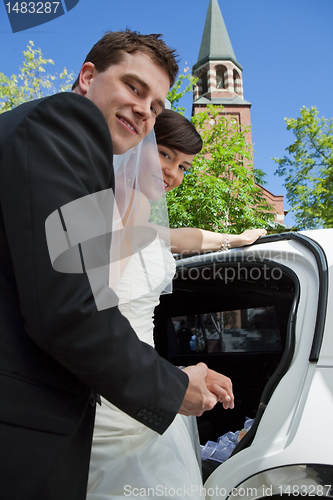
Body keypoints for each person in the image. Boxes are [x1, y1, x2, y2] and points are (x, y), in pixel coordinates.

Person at [0, 31, 231, 500]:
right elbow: (67, 311)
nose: (146, 109)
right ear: (87, 77)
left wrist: (234, 238)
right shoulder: (65, 123)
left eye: (158, 106)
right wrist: (172, 385)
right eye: (134, 87)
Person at [87, 110, 266, 499]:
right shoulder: (126, 205)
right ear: (139, 145)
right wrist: (174, 379)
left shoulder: (126, 210)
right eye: (166, 154)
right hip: (121, 389)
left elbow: (185, 238)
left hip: (131, 380)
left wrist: (236, 239)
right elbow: (100, 314)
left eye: (184, 165)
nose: (173, 173)